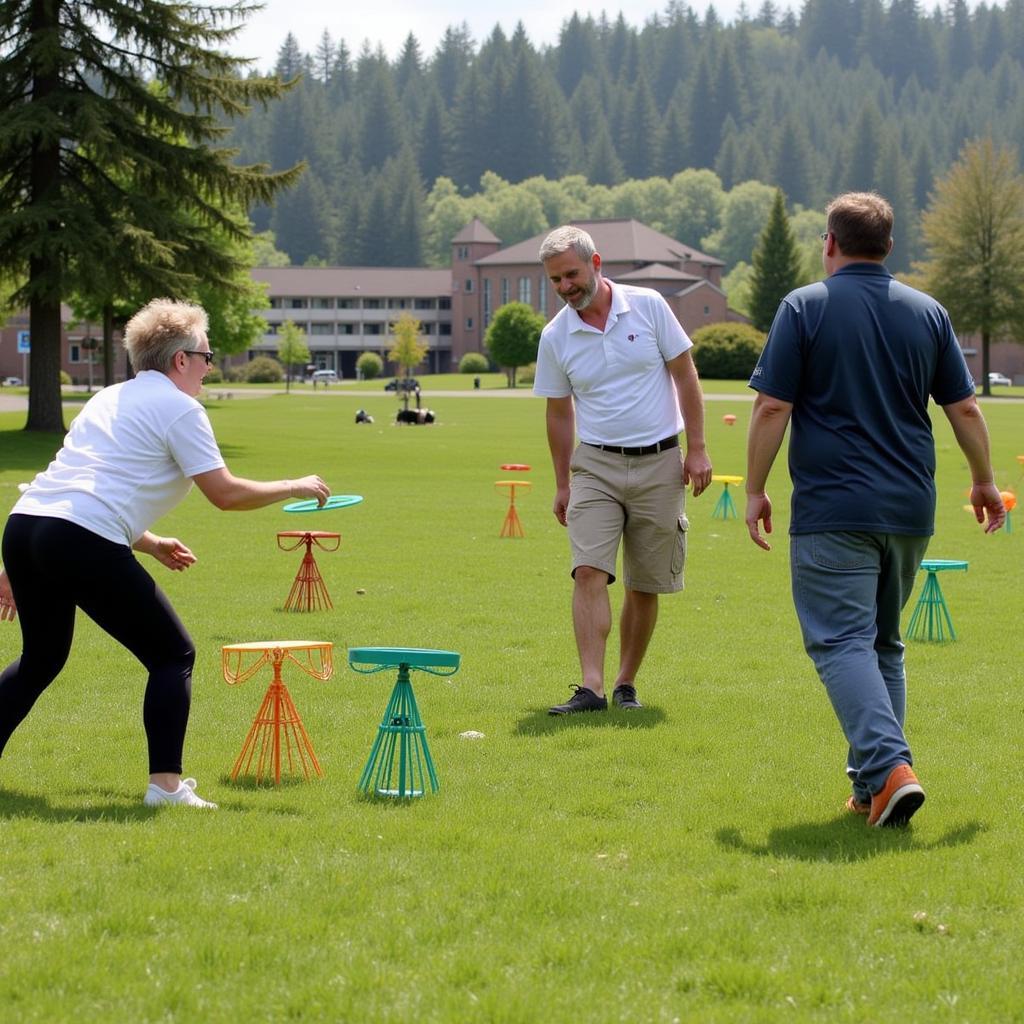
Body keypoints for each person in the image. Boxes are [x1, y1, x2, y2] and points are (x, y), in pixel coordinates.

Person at [0, 298, 330, 809]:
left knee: (41, 659)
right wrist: (293, 484)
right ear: (181, 360)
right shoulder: (181, 408)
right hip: (75, 536)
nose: (209, 366)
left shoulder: (108, 397)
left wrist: (148, 543)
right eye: (206, 354)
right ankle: (166, 788)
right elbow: (224, 494)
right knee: (172, 655)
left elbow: (84, 484)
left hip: (25, 527)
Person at [745, 192, 1005, 827]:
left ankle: (891, 766)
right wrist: (984, 482)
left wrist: (755, 488)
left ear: (829, 243)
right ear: (890, 247)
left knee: (839, 641)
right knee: (883, 645)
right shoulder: (929, 312)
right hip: (909, 507)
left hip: (834, 507)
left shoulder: (803, 306)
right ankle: (872, 792)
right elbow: (964, 408)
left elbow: (773, 406)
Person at [533, 226, 712, 715]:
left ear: (595, 264)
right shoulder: (555, 336)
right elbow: (558, 412)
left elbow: (685, 374)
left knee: (645, 582)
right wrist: (563, 483)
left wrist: (696, 448)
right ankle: (590, 688)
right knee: (588, 569)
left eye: (571, 274)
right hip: (595, 466)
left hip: (660, 462)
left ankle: (625, 683)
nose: (565, 287)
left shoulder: (649, 305)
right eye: (555, 280)